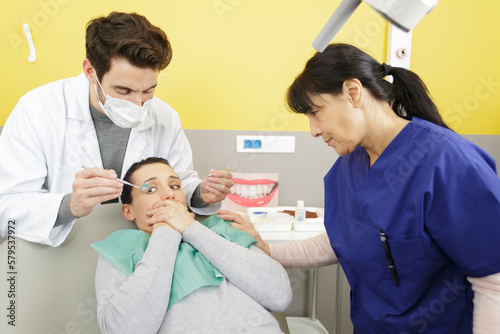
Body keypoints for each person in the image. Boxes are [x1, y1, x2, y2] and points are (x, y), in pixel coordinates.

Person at [226, 43, 500, 333]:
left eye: (316, 112)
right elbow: (345, 238)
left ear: (353, 92)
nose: (313, 130)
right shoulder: (349, 165)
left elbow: (493, 283)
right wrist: (268, 250)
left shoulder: (449, 164)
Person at [0, 12, 232, 247]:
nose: (138, 104)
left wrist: (201, 194)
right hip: (64, 255)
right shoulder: (37, 110)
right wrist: (69, 205)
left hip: (141, 250)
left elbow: (179, 181)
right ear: (91, 72)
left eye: (149, 90)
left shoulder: (164, 116)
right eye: (124, 91)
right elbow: (7, 207)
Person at [92, 157, 292, 333]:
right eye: (150, 189)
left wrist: (191, 229)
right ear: (128, 212)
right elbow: (123, 329)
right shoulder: (120, 248)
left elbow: (280, 295)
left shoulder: (221, 230)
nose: (169, 195)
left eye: (175, 186)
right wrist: (165, 232)